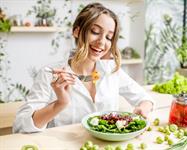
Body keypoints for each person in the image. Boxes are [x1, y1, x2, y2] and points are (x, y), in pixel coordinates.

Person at [13, 2, 154, 133]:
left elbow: (145, 98)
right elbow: (20, 127)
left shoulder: (111, 70)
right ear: (77, 31)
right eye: (95, 31)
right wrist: (60, 103)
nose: (101, 42)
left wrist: (143, 108)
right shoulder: (50, 73)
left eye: (109, 37)